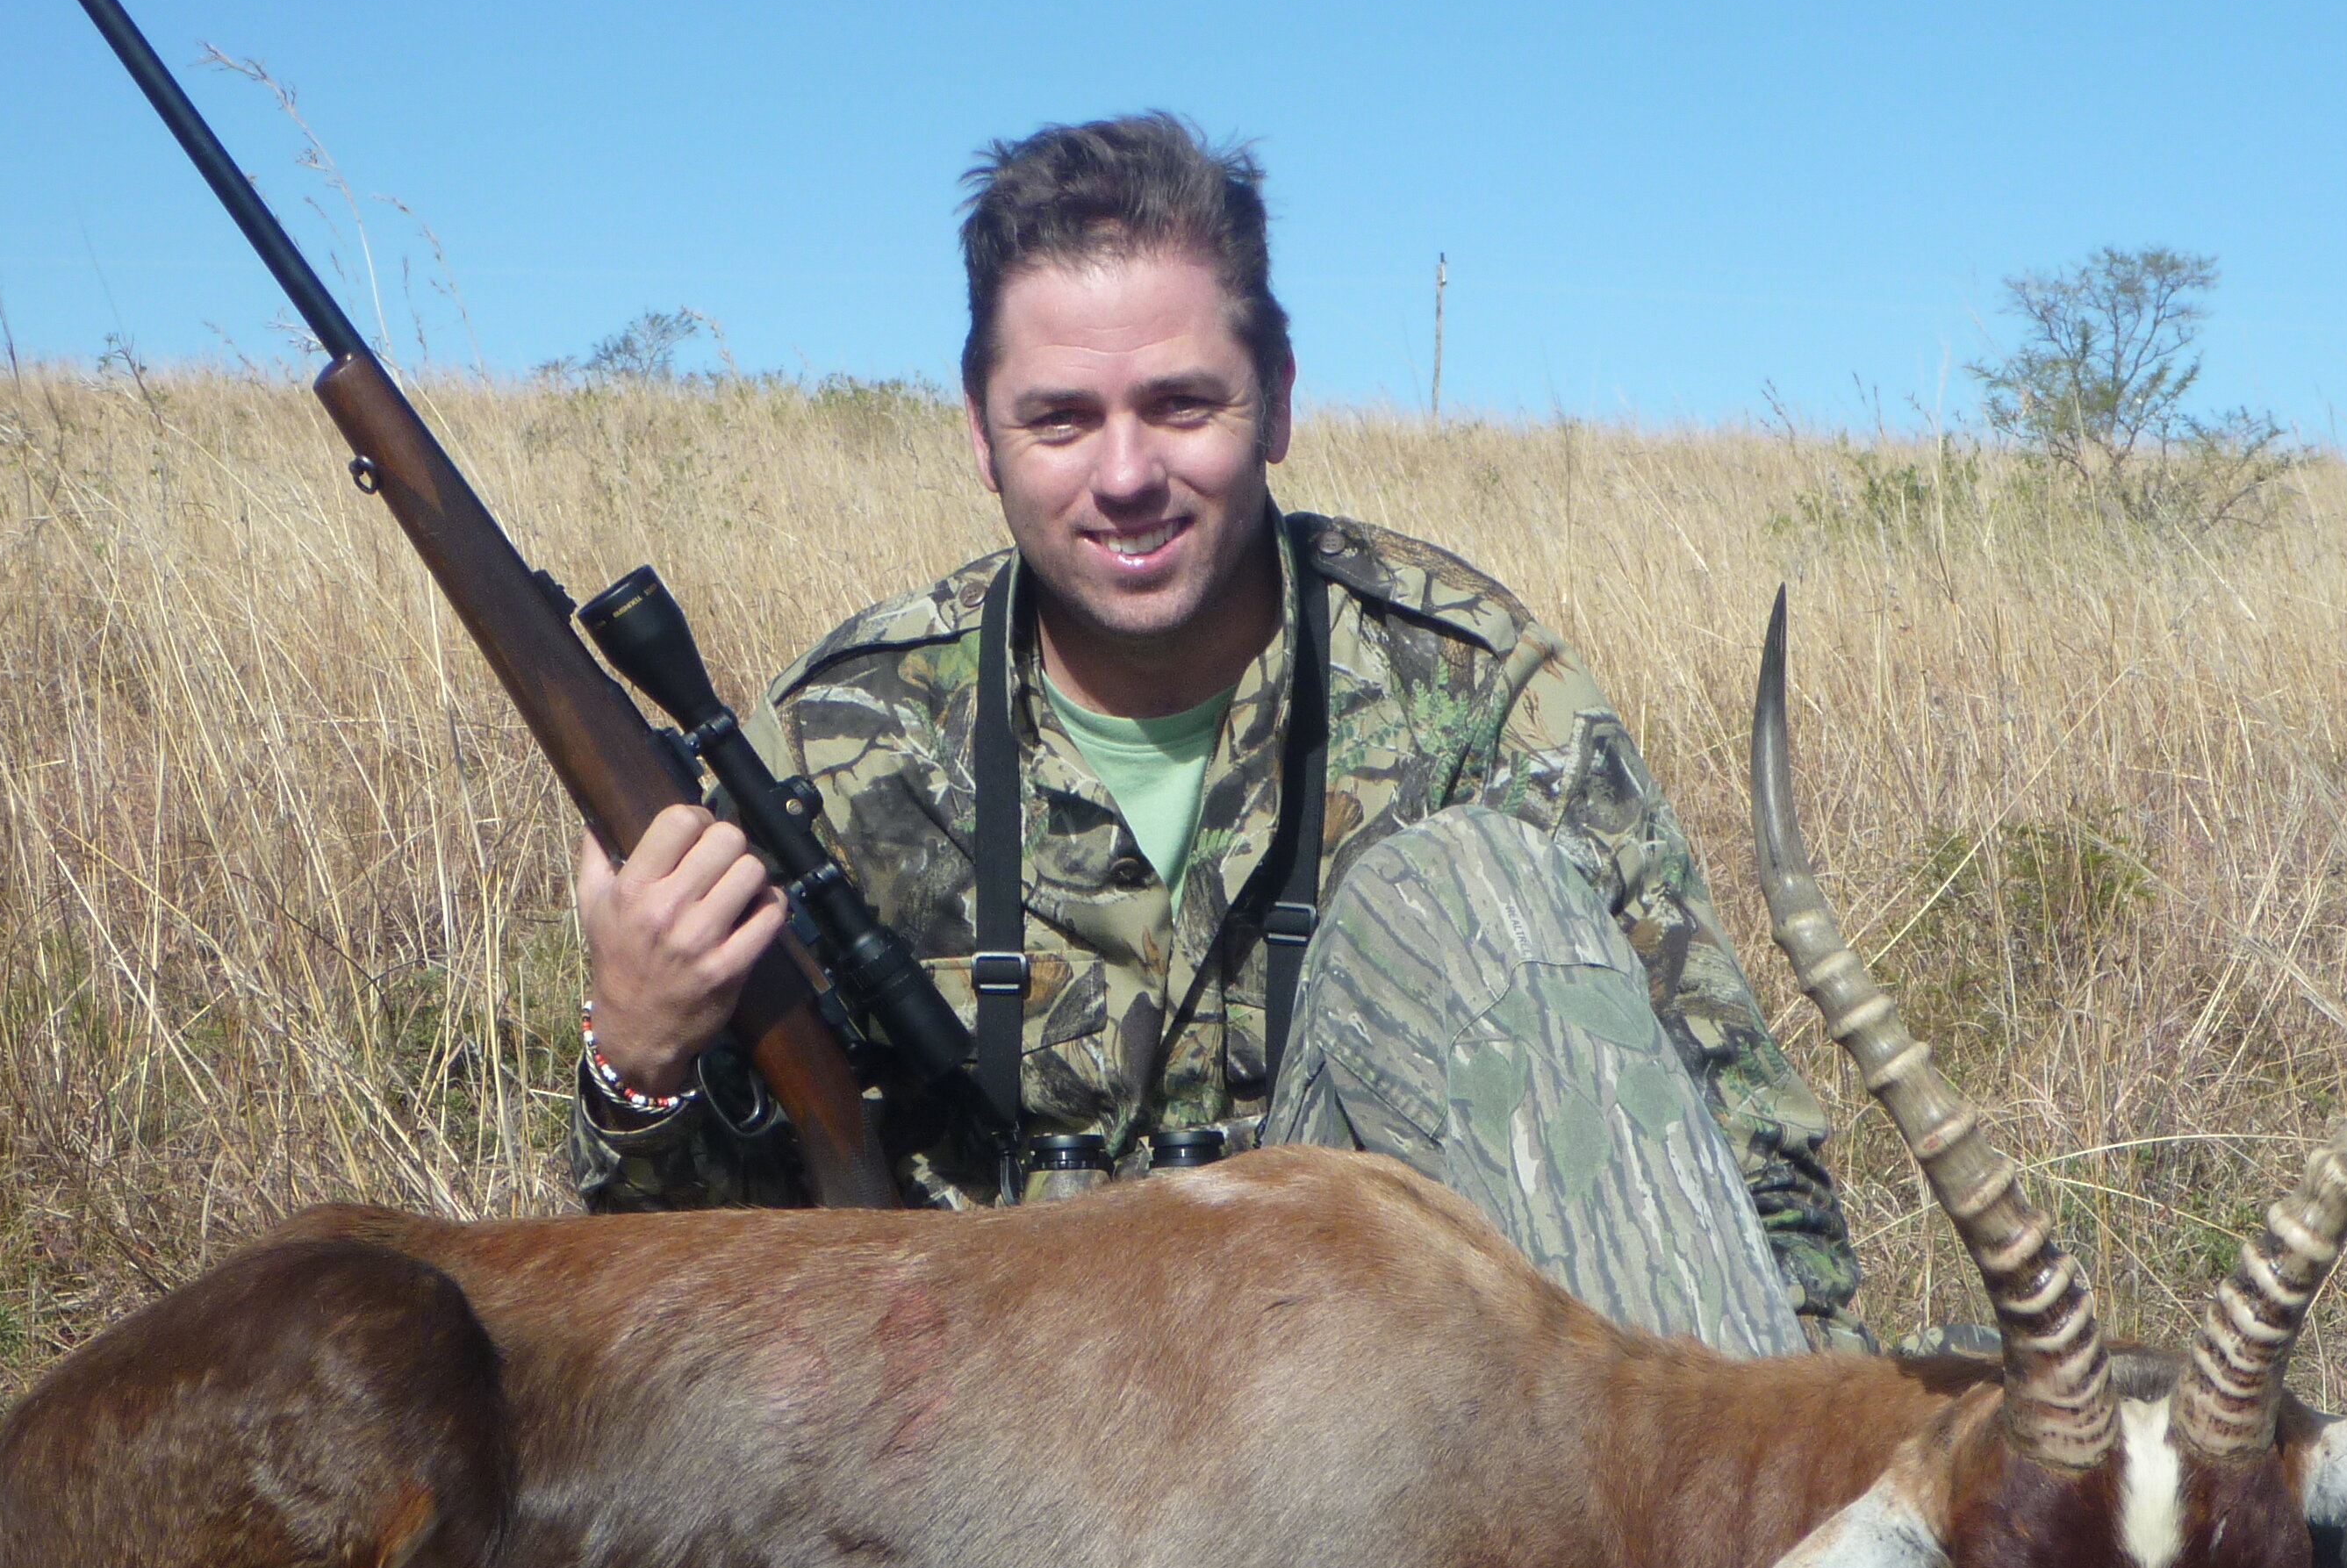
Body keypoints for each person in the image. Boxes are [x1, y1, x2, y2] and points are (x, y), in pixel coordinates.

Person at [567, 113, 1861, 1356]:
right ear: (980, 435)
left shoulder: (1475, 692)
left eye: (1183, 404)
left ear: (1279, 401)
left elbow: (1741, 1164)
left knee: (1473, 889)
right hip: (965, 1483)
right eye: (1060, 418)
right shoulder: (837, 742)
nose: (1126, 475)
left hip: (1384, 1457)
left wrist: (1798, 1436)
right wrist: (639, 1059)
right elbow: (679, 1303)